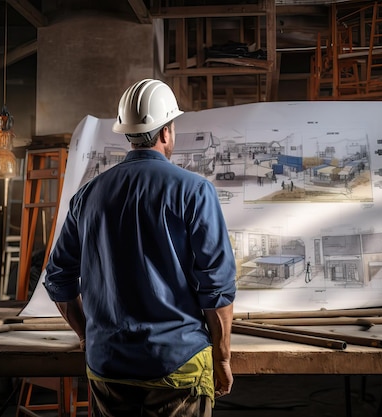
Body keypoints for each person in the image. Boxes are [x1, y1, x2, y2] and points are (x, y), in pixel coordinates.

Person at [43, 78, 237, 417]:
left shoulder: (88, 196)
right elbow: (216, 289)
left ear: (128, 134)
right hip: (176, 365)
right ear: (165, 132)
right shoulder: (194, 191)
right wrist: (221, 358)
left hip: (108, 366)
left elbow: (59, 279)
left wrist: (88, 335)